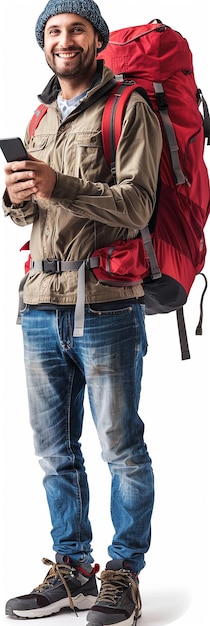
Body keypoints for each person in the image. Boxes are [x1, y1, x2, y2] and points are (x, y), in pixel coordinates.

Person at [2, 0, 162, 623]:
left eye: (75, 30)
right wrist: (16, 196)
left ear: (97, 40)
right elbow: (31, 210)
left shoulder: (130, 109)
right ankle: (72, 571)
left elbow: (136, 208)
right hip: (40, 305)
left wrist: (56, 183)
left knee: (121, 447)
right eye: (53, 32)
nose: (63, 40)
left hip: (106, 304)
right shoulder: (41, 115)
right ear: (42, 44)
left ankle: (123, 573)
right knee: (53, 452)